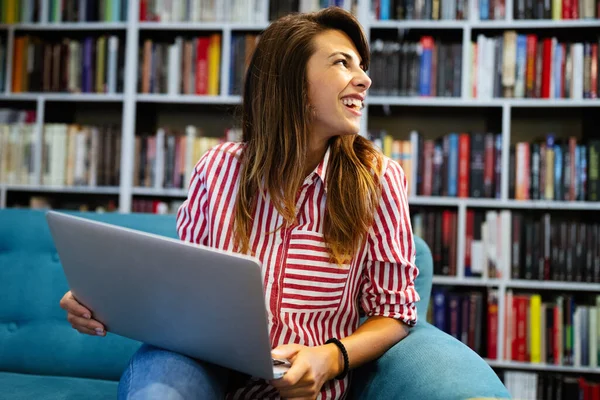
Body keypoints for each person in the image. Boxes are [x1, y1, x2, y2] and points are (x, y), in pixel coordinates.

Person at [59, 6, 419, 400]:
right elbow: (179, 289)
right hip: (198, 367)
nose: (364, 79)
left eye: (361, 66)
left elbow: (395, 314)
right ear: (292, 81)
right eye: (342, 62)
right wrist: (100, 302)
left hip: (301, 386)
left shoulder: (378, 180)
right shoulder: (217, 169)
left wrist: (329, 359)